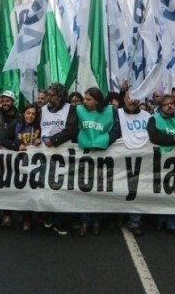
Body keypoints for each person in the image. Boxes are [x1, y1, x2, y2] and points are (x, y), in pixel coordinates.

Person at [76, 87, 120, 237]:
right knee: (85, 188)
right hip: (86, 156)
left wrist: (104, 141)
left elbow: (116, 130)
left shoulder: (110, 111)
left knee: (99, 188)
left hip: (103, 155)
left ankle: (97, 221)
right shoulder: (79, 110)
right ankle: (85, 221)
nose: (85, 102)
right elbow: (74, 130)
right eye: (85, 98)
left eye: (89, 99)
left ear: (97, 101)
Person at [40, 83, 78, 235]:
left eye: (51, 95)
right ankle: (47, 216)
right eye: (47, 94)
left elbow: (71, 130)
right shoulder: (42, 110)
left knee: (62, 188)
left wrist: (54, 140)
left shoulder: (71, 109)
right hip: (45, 156)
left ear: (60, 97)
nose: (48, 97)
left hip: (64, 156)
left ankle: (60, 221)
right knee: (46, 187)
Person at [147, 94, 175, 237]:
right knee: (162, 193)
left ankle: (173, 224)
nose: (170, 106)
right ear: (160, 107)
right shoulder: (154, 119)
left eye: (172, 103)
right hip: (161, 162)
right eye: (166, 104)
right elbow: (154, 137)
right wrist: (174, 139)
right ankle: (161, 220)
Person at [117, 90, 152, 236]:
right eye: (130, 97)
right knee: (120, 189)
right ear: (124, 99)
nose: (133, 101)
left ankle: (135, 221)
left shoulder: (148, 116)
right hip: (120, 160)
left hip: (142, 161)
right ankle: (119, 215)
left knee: (138, 191)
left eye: (136, 98)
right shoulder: (116, 114)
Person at [3, 104, 41, 231]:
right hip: (16, 163)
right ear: (24, 114)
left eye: (33, 114)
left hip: (31, 164)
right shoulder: (15, 124)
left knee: (28, 190)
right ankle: (7, 214)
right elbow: (4, 140)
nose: (30, 116)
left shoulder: (39, 127)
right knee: (12, 188)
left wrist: (39, 140)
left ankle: (26, 217)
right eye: (28, 113)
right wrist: (17, 146)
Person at [0, 90, 21, 227]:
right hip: (0, 155)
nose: (5, 104)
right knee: (3, 183)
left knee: (15, 183)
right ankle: (6, 213)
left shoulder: (19, 116)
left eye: (7, 101)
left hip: (15, 154)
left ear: (12, 102)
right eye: (3, 101)